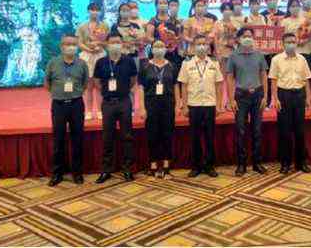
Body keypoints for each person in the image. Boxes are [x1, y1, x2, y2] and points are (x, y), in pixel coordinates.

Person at [44, 34, 89, 186]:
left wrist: (74, 93)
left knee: (78, 139)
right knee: (58, 139)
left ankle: (77, 173)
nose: (70, 47)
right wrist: (59, 94)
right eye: (67, 44)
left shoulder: (82, 63)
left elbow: (85, 83)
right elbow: (47, 83)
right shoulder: (53, 63)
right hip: (59, 105)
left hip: (76, 104)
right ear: (61, 46)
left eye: (73, 44)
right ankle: (57, 174)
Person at [178, 34, 224, 177]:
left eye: (204, 44)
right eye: (198, 44)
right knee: (195, 137)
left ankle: (210, 166)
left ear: (208, 47)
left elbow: (219, 85)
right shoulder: (187, 64)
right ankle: (196, 166)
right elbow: (184, 86)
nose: (202, 47)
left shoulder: (214, 63)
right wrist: (184, 106)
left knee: (210, 137)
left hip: (210, 104)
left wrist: (219, 105)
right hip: (194, 104)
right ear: (193, 47)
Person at [94, 35, 138, 183]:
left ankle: (127, 169)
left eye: (118, 42)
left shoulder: (129, 61)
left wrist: (122, 90)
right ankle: (106, 170)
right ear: (107, 44)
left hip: (124, 101)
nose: (115, 45)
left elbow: (133, 80)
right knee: (107, 137)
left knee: (127, 136)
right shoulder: (101, 62)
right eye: (112, 42)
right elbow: (97, 82)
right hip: (108, 103)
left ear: (122, 44)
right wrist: (107, 92)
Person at [226, 27, 268, 176]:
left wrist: (265, 96)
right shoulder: (233, 56)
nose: (248, 38)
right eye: (245, 36)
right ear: (239, 39)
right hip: (241, 96)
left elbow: (264, 75)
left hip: (257, 95)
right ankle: (241, 164)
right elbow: (229, 78)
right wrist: (231, 99)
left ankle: (257, 163)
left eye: (250, 36)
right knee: (240, 131)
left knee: (257, 130)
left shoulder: (259, 55)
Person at [269, 32, 311, 174]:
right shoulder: (276, 59)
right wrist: (275, 99)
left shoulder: (302, 59)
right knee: (285, 131)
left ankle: (301, 163)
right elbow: (273, 80)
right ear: (283, 44)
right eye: (288, 42)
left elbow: (306, 79)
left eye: (293, 42)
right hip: (284, 95)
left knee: (300, 131)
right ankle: (285, 163)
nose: (291, 44)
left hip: (299, 95)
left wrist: (308, 97)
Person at [139, 40, 178, 178]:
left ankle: (166, 165)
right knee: (152, 134)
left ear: (165, 49)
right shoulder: (145, 66)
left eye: (162, 46)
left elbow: (175, 86)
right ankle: (153, 164)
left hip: (168, 104)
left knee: (167, 134)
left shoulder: (172, 66)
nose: (159, 48)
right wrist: (142, 107)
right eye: (156, 46)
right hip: (151, 104)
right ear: (152, 49)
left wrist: (178, 104)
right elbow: (141, 88)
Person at [146, 0, 183, 110]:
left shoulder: (175, 21)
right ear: (156, 6)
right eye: (160, 3)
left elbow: (179, 37)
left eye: (165, 3)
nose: (163, 5)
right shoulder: (153, 21)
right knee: (155, 77)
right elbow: (149, 37)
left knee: (174, 78)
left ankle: (177, 102)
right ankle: (155, 101)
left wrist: (174, 42)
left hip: (172, 53)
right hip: (157, 53)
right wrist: (161, 44)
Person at [77, 3, 109, 120]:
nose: (95, 12)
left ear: (100, 12)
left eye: (97, 10)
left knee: (100, 85)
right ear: (88, 11)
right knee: (88, 86)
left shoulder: (104, 26)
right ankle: (88, 111)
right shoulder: (82, 26)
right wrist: (88, 48)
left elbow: (107, 42)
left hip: (100, 55)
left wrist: (99, 44)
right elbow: (79, 43)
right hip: (87, 56)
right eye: (92, 10)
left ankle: (100, 110)